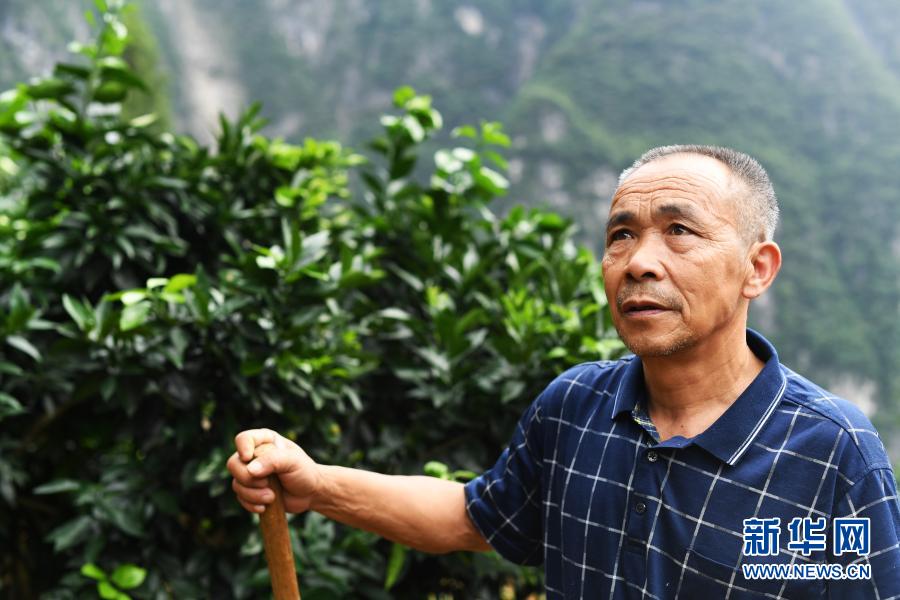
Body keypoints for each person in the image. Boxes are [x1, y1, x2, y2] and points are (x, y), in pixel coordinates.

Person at [228, 145, 900, 598]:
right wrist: (315, 484)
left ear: (757, 268)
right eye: (621, 235)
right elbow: (471, 517)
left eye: (679, 231)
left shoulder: (833, 455)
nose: (639, 262)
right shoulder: (576, 406)